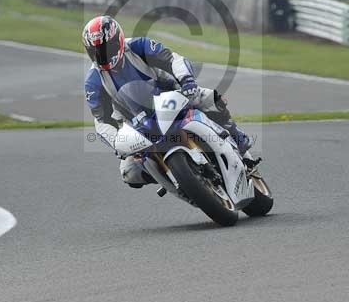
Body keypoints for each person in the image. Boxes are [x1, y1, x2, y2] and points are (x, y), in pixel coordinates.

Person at [82, 15, 256, 188]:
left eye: (107, 48)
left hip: (171, 95)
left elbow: (173, 59)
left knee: (211, 99)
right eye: (96, 51)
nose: (102, 55)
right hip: (136, 122)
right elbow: (101, 120)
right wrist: (116, 143)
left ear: (118, 40)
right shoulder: (93, 81)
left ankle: (242, 146)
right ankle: (170, 175)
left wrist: (187, 80)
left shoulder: (138, 46)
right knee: (129, 172)